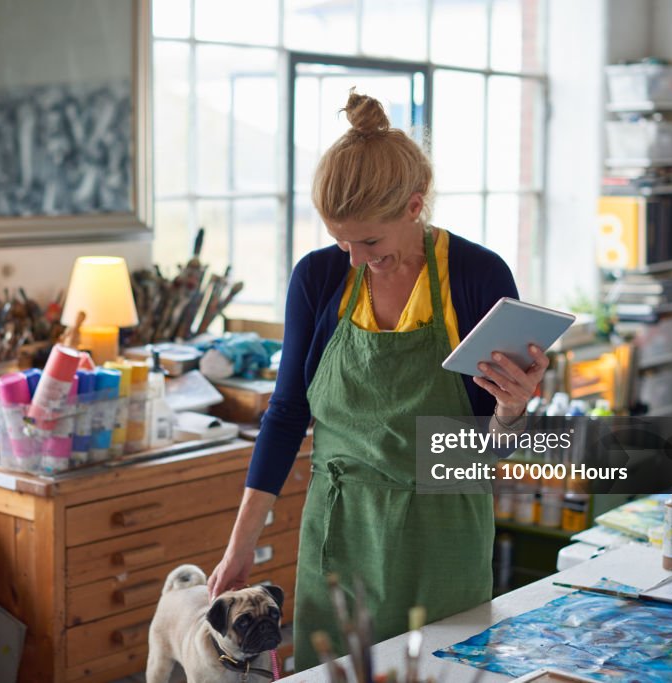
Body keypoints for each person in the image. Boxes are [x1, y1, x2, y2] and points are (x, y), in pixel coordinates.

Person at [208, 90, 548, 671]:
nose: (355, 257)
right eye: (342, 240)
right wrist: (240, 547)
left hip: (443, 531)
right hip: (341, 533)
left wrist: (512, 413)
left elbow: (489, 448)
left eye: (370, 242)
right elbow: (287, 415)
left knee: (444, 671)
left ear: (415, 206)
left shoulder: (476, 276)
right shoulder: (318, 279)